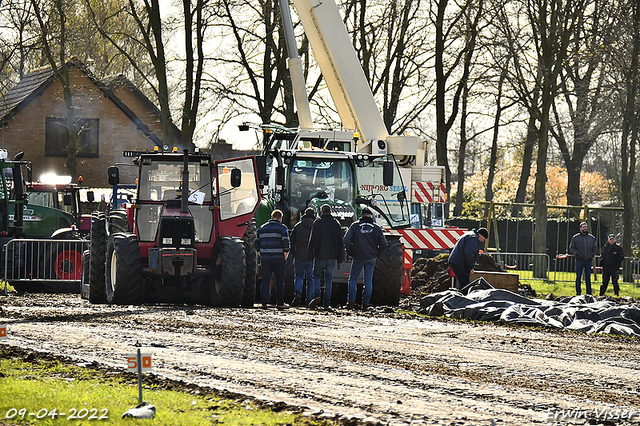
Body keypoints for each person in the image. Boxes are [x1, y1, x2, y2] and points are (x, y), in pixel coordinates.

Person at [343, 207, 387, 310]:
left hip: (358, 257)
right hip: (371, 257)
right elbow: (384, 244)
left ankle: (351, 302)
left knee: (353, 279)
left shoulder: (355, 226)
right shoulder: (376, 228)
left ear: (361, 216)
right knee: (368, 281)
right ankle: (365, 303)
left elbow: (346, 240)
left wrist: (350, 252)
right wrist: (377, 254)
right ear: (371, 216)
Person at [307, 204, 344, 310]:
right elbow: (340, 242)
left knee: (317, 277)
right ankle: (327, 303)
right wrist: (340, 257)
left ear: (321, 212)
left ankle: (316, 297)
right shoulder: (336, 224)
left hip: (319, 256)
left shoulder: (317, 223)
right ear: (331, 212)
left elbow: (312, 239)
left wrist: (310, 254)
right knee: (329, 279)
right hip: (332, 257)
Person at [256, 210, 290, 309]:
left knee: (265, 280)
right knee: (279, 281)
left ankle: (264, 302)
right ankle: (280, 303)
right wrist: (286, 253)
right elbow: (285, 242)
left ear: (272, 217)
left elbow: (257, 243)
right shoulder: (282, 228)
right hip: (278, 258)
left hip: (265, 258)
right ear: (280, 218)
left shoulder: (262, 228)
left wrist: (260, 252)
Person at [289, 207, 315, 306]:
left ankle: (298, 294)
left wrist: (293, 253)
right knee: (310, 279)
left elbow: (292, 240)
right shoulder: (315, 226)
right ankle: (309, 300)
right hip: (311, 256)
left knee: (299, 276)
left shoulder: (298, 226)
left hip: (299, 255)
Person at [569, 222, 598, 295]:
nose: (585, 228)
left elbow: (595, 248)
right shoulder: (575, 238)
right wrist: (577, 254)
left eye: (586, 227)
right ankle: (578, 292)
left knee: (588, 278)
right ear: (580, 228)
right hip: (579, 260)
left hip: (588, 260)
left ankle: (589, 293)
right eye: (583, 227)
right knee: (578, 277)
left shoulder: (591, 238)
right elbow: (571, 248)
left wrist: (592, 254)